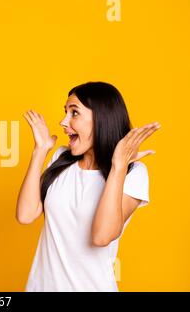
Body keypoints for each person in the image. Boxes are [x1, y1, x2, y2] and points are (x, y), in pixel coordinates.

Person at [16, 82, 160, 291]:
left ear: (101, 119)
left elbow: (101, 236)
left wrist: (118, 166)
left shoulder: (133, 173)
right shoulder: (60, 159)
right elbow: (25, 215)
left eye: (74, 113)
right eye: (65, 112)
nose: (63, 121)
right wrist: (40, 150)